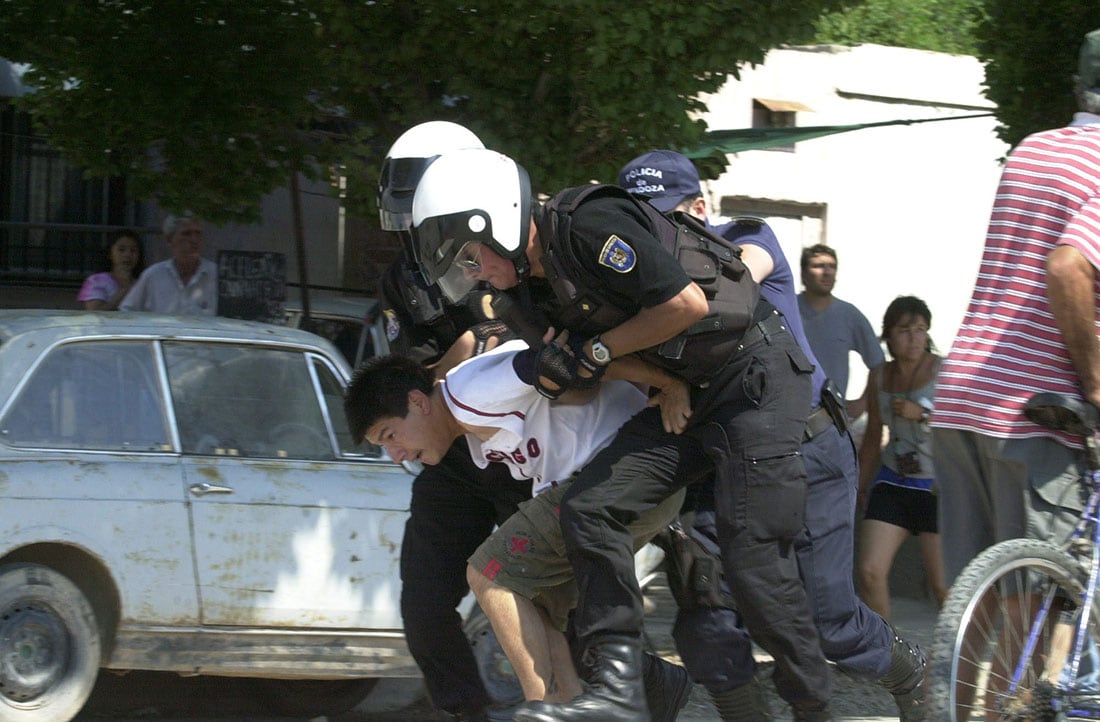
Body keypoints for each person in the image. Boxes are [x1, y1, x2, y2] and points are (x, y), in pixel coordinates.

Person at [410, 148, 834, 721]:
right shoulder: (523, 298)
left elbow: (683, 305)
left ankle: (813, 710)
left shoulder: (588, 224)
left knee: (755, 564)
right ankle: (617, 691)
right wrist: (660, 380)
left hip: (753, 372)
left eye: (471, 257)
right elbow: (587, 369)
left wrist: (598, 351)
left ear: (501, 218)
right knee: (589, 507)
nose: (476, 274)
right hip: (685, 391)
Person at [617, 150, 927, 721]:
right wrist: (662, 378)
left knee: (827, 620)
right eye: (639, 222)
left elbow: (729, 282)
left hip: (806, 452)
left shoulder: (751, 237)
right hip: (720, 463)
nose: (654, 234)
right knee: (707, 611)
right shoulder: (634, 296)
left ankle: (909, 671)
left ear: (700, 207)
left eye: (665, 216)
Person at [344, 339, 688, 711]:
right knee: (536, 608)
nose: (396, 456)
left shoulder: (472, 389)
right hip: (604, 489)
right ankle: (566, 709)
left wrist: (667, 382)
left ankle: (539, 709)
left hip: (623, 475)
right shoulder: (474, 431)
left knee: (489, 573)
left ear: (417, 401)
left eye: (390, 436)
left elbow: (565, 360)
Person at [373, 120, 534, 722]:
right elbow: (410, 377)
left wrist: (476, 345)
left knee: (543, 603)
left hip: (529, 454)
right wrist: (465, 350)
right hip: (457, 457)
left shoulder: (517, 245)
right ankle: (467, 713)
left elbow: (537, 344)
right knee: (423, 602)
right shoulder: (402, 276)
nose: (417, 229)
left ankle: (621, 695)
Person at [932, 27, 1100, 588]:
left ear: (1079, 89)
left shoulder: (1032, 148)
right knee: (1047, 611)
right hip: (1038, 410)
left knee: (976, 608)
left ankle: (955, 683)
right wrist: (1096, 385)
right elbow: (1067, 267)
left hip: (963, 396)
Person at [857, 295, 947, 621]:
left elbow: (961, 426)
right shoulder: (879, 376)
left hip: (935, 487)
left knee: (942, 587)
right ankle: (893, 659)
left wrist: (922, 413)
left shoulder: (944, 370)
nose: (914, 338)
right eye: (905, 330)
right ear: (889, 337)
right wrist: (859, 485)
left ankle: (952, 661)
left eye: (921, 329)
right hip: (893, 479)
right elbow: (871, 438)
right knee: (869, 571)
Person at [798, 244, 884, 420]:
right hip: (791, 417)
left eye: (832, 266)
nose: (827, 272)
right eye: (818, 266)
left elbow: (878, 364)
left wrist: (863, 402)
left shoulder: (849, 315)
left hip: (833, 422)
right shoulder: (788, 311)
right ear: (804, 275)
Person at [120, 213, 217, 315]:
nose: (194, 240)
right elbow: (126, 312)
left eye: (198, 233)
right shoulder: (153, 275)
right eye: (186, 234)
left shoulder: (216, 276)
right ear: (169, 239)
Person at [77, 229, 144, 310]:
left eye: (133, 250)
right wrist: (124, 290)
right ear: (110, 254)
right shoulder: (96, 281)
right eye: (121, 250)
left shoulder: (142, 282)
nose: (127, 255)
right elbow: (95, 314)